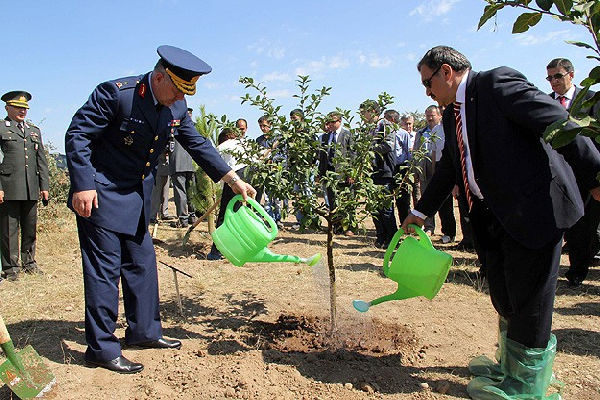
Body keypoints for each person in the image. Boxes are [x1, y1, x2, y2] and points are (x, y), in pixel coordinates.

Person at [402, 45, 600, 398]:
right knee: (506, 297)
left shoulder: (496, 85)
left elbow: (558, 123)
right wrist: (421, 211)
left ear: (446, 72)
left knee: (531, 301)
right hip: (492, 217)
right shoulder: (452, 114)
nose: (427, 92)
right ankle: (511, 366)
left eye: (427, 83)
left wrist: (596, 176)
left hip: (534, 211)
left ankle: (527, 386)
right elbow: (450, 165)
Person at [65, 45, 255, 374]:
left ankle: (144, 332)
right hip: (101, 193)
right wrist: (82, 184)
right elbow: (78, 134)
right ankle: (101, 348)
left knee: (142, 265)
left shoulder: (176, 103)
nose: (177, 99)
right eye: (176, 90)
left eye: (185, 92)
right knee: (105, 273)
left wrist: (232, 179)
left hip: (138, 196)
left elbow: (197, 143)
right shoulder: (116, 94)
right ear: (158, 77)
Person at [547, 57, 600, 286]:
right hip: (557, 173)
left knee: (585, 224)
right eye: (549, 78)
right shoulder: (546, 103)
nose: (553, 82)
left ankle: (578, 271)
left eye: (557, 76)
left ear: (571, 74)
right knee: (560, 222)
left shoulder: (591, 99)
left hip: (588, 174)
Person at [0, 91, 49, 281]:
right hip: (9, 187)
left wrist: (44, 186)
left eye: (25, 108)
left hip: (31, 187)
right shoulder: (2, 128)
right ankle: (11, 268)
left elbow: (41, 160)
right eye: (18, 107)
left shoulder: (33, 130)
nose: (22, 111)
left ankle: (29, 263)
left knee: (30, 227)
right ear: (7, 108)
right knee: (9, 230)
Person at [207, 127, 248, 260]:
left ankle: (216, 252)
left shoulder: (222, 147)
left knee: (225, 216)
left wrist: (225, 189)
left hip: (235, 178)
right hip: (249, 176)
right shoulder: (243, 143)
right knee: (239, 216)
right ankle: (236, 249)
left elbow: (221, 169)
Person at [360, 100, 397, 247]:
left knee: (386, 208)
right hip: (371, 173)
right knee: (374, 208)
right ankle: (380, 237)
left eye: (364, 111)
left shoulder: (386, 125)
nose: (362, 115)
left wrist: (370, 148)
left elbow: (388, 145)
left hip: (384, 172)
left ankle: (392, 240)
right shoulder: (367, 129)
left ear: (374, 111)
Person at [318, 111, 354, 235]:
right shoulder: (326, 136)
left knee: (346, 200)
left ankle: (349, 227)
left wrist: (351, 173)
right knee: (333, 201)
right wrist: (321, 173)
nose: (331, 124)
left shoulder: (347, 135)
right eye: (329, 122)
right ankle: (337, 227)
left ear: (340, 121)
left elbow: (352, 155)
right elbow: (322, 156)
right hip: (329, 174)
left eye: (334, 121)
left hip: (343, 173)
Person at [169, 108, 197, 228]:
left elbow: (167, 142)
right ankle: (192, 216)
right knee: (191, 191)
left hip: (178, 163)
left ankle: (183, 219)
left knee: (180, 192)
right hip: (191, 163)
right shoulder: (195, 126)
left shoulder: (174, 125)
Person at [255, 116, 284, 228]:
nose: (263, 128)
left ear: (270, 125)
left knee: (277, 198)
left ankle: (278, 219)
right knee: (267, 198)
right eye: (261, 126)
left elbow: (283, 154)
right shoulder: (259, 140)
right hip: (265, 172)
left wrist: (273, 160)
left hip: (276, 171)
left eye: (265, 126)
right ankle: (269, 219)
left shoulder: (278, 138)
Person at [149, 149, 172, 223]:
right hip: (157, 167)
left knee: (165, 193)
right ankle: (152, 215)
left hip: (166, 167)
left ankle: (164, 213)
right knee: (156, 193)